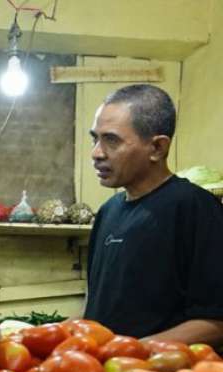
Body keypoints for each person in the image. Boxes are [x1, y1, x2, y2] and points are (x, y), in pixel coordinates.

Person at [84, 84, 223, 344]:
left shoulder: (196, 209)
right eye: (95, 138)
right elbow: (97, 313)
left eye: (111, 140)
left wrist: (133, 353)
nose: (96, 153)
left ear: (157, 148)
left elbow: (215, 321)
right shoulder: (108, 213)